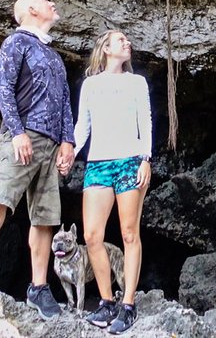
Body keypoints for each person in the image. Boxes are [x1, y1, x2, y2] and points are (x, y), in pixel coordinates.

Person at [0, 0, 76, 320]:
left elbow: (65, 101)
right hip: (23, 137)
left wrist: (68, 142)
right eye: (46, 0)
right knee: (2, 197)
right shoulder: (16, 43)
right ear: (31, 10)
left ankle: (39, 288)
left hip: (51, 144)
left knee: (44, 216)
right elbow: (3, 89)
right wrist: (17, 132)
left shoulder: (53, 55)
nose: (53, 3)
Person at [73, 29, 153, 334]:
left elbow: (145, 120)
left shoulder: (137, 82)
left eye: (128, 40)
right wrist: (69, 152)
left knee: (129, 233)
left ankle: (128, 304)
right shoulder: (91, 85)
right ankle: (107, 302)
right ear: (106, 48)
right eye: (121, 40)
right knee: (92, 236)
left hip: (130, 160)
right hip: (98, 163)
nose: (127, 43)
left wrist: (146, 157)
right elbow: (83, 125)